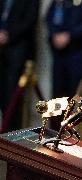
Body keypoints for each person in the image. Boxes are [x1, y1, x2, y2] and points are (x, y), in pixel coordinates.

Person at [0, 0, 39, 131]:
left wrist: (8, 35)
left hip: (17, 48)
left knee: (12, 96)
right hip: (1, 48)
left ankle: (10, 134)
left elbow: (29, 21)